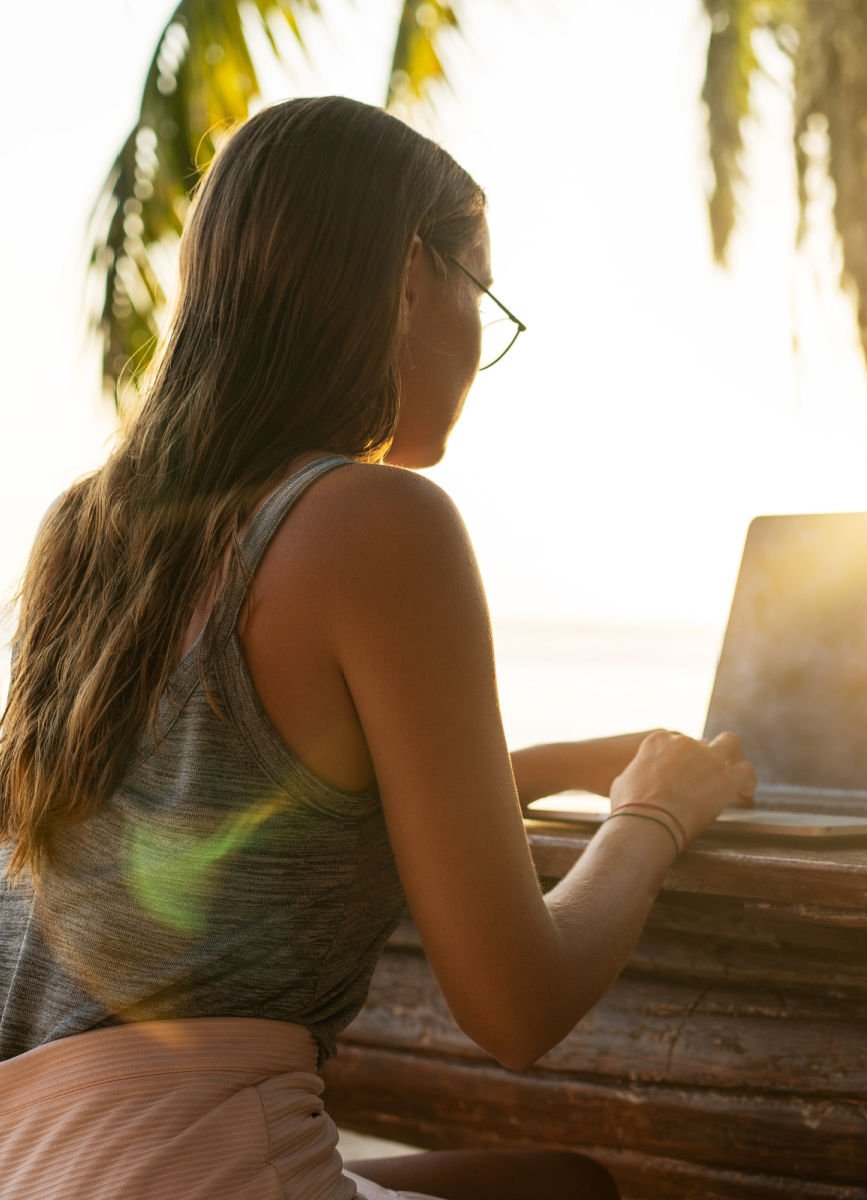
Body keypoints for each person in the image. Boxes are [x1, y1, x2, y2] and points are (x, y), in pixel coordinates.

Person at [0, 96, 755, 1200]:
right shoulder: (378, 523)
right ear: (410, 277)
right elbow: (517, 1006)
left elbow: (234, 819)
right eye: (482, 292)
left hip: (33, 1166)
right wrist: (654, 816)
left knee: (553, 1182)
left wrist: (566, 765)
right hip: (203, 1171)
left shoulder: (86, 531)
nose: (482, 340)